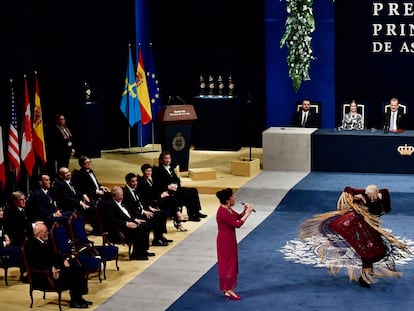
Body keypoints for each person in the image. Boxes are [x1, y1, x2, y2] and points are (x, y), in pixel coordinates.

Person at [299, 185, 410, 288]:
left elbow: (387, 206)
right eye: (369, 196)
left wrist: (382, 207)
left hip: (374, 227)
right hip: (363, 227)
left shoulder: (383, 193)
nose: (371, 199)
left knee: (380, 250)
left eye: (373, 197)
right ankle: (365, 276)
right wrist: (354, 196)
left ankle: (367, 273)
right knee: (367, 251)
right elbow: (348, 189)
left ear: (377, 193)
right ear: (366, 194)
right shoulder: (364, 195)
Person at [25, 222, 92, 308]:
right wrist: (50, 268)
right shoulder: (32, 246)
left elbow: (54, 255)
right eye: (45, 232)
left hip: (54, 269)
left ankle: (79, 297)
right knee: (73, 272)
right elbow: (35, 263)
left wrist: (63, 259)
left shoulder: (45, 242)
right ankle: (74, 301)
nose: (48, 233)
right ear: (38, 234)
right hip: (44, 275)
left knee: (78, 267)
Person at [215, 188, 254, 300]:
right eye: (232, 197)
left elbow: (237, 217)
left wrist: (244, 211)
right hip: (225, 241)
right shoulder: (223, 212)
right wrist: (248, 213)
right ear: (227, 200)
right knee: (228, 264)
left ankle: (227, 288)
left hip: (229, 239)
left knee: (230, 262)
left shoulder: (229, 210)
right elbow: (237, 224)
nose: (234, 198)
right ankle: (229, 289)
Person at [101, 186, 154, 260]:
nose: (122, 197)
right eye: (120, 196)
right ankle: (136, 254)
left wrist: (135, 220)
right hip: (118, 229)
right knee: (139, 229)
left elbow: (128, 215)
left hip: (128, 224)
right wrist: (127, 224)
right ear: (113, 195)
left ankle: (143, 250)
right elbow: (112, 220)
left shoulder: (122, 202)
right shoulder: (109, 205)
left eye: (122, 195)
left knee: (145, 225)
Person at [152, 151, 207, 222]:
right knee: (187, 194)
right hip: (168, 190)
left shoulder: (171, 168)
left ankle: (196, 211)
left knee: (194, 190)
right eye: (166, 158)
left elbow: (176, 179)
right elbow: (157, 183)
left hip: (175, 188)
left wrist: (176, 184)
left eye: (169, 158)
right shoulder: (158, 170)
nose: (168, 160)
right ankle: (191, 215)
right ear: (161, 160)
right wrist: (167, 186)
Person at [122, 172, 170, 246]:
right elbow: (130, 207)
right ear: (127, 182)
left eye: (136, 181)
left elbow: (141, 201)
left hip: (142, 210)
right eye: (133, 181)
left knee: (161, 214)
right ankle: (156, 241)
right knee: (156, 216)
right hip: (136, 214)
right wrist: (144, 212)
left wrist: (149, 208)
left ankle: (159, 237)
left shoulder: (135, 189)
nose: (135, 183)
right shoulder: (125, 192)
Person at [138, 163, 187, 232]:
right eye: (147, 171)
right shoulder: (142, 182)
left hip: (158, 198)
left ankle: (178, 221)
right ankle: (178, 218)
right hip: (152, 202)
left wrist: (162, 193)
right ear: (143, 172)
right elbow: (147, 196)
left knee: (173, 198)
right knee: (171, 200)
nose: (149, 172)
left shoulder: (152, 179)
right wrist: (160, 196)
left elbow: (156, 190)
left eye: (150, 171)